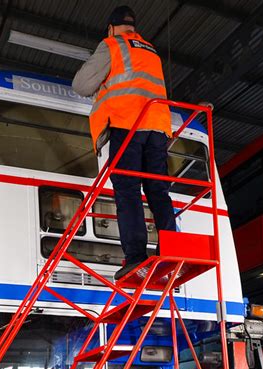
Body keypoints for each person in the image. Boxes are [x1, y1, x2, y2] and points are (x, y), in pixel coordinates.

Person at [72, 5, 176, 280]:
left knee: (127, 191)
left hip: (128, 124)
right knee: (158, 191)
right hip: (158, 128)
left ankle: (136, 256)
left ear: (111, 28)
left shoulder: (112, 45)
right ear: (134, 27)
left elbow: (81, 86)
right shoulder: (151, 51)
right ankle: (171, 247)